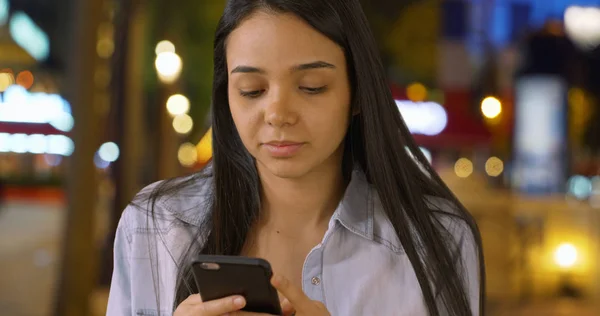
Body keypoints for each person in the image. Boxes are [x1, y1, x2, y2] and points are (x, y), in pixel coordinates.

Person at [106, 0, 485, 315]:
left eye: (311, 87)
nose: (278, 113)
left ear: (357, 92)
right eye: (252, 90)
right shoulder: (153, 227)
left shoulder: (436, 241)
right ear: (226, 97)